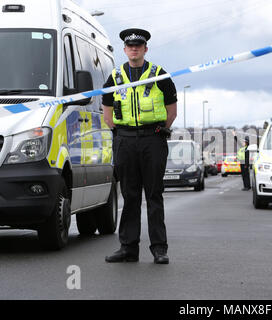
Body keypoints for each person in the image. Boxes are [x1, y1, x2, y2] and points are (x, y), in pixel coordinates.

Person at [102, 28, 177, 264]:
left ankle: (159, 249)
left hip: (152, 139)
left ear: (145, 49)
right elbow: (107, 115)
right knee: (130, 196)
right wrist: (123, 134)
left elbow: (171, 110)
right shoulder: (114, 77)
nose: (134, 49)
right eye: (130, 46)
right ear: (125, 50)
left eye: (139, 46)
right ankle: (128, 248)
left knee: (154, 195)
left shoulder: (159, 74)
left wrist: (155, 130)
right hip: (125, 141)